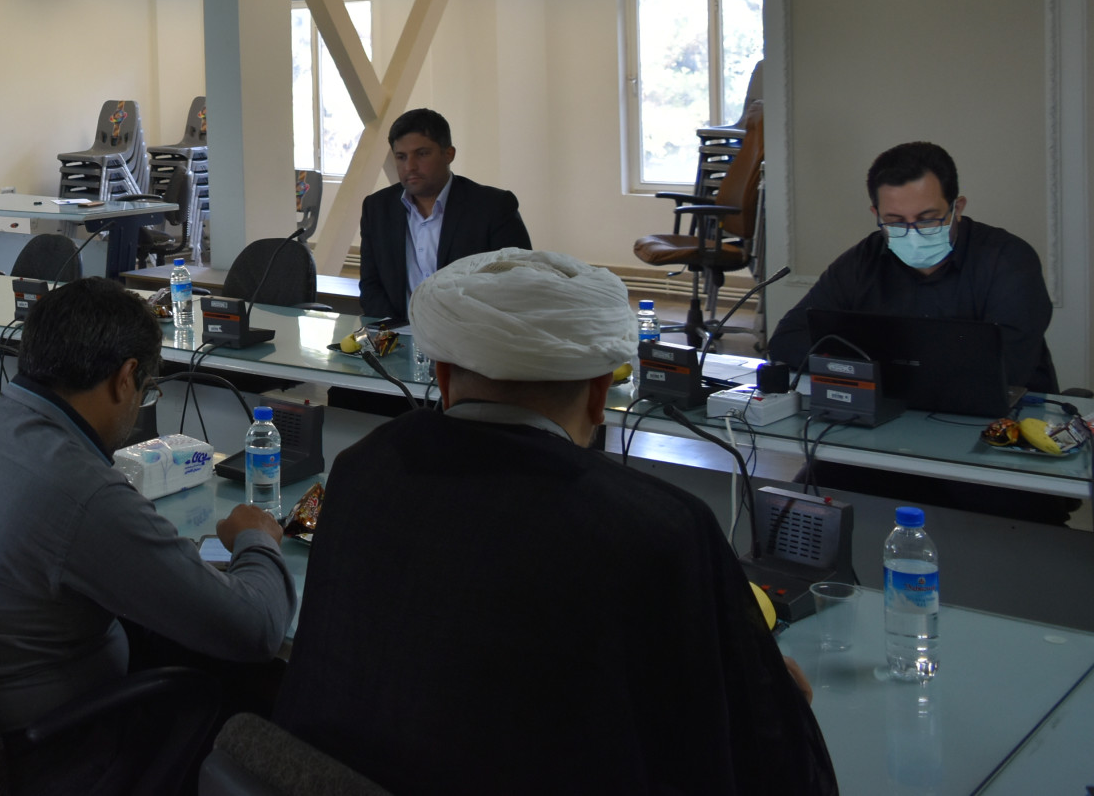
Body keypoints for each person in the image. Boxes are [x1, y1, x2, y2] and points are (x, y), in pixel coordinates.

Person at [276, 249, 835, 796]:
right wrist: (781, 704)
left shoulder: (362, 466)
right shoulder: (660, 529)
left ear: (443, 377)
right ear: (599, 394)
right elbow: (760, 759)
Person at [0, 277, 294, 790]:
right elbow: (256, 629)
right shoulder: (82, 492)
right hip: (44, 749)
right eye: (147, 389)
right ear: (125, 379)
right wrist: (257, 538)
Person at [769, 141, 1056, 395]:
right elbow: (787, 340)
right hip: (886, 412)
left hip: (1007, 421)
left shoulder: (1008, 260)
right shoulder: (862, 261)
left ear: (957, 208)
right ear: (876, 214)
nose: (912, 232)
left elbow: (1006, 369)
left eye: (927, 219)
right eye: (895, 221)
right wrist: (890, 365)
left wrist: (872, 361)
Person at [357, 107, 530, 324]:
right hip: (398, 334)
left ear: (449, 154)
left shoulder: (493, 207)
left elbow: (516, 283)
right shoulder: (377, 208)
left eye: (422, 154)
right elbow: (371, 285)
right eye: (401, 157)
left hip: (471, 333)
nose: (410, 166)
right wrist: (398, 331)